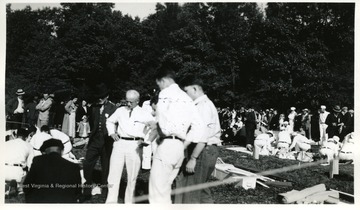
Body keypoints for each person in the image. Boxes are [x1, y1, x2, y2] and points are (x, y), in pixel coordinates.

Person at [149, 66, 206, 203]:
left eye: (159, 85)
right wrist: (185, 141)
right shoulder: (186, 98)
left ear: (162, 81)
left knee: (157, 190)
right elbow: (199, 127)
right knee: (166, 188)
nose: (159, 88)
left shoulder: (165, 93)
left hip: (167, 144)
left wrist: (159, 129)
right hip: (179, 147)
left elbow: (161, 120)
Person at [175, 77, 221, 203]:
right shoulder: (200, 105)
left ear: (195, 89)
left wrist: (193, 158)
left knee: (192, 193)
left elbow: (202, 136)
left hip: (202, 150)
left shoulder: (203, 106)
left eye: (186, 91)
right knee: (201, 191)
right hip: (203, 149)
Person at [105, 90, 154, 204]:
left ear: (137, 101)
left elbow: (154, 127)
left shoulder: (144, 113)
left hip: (135, 145)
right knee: (113, 174)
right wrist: (112, 133)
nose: (128, 104)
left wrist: (146, 140)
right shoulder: (120, 110)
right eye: (126, 101)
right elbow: (110, 121)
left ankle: (129, 202)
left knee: (132, 176)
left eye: (131, 102)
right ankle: (111, 202)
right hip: (119, 143)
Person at [81, 84, 117, 202]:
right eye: (98, 97)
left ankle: (104, 192)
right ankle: (86, 191)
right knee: (87, 164)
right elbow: (93, 122)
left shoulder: (113, 108)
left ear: (107, 96)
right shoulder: (94, 107)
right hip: (95, 140)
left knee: (106, 167)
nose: (99, 99)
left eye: (101, 97)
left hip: (107, 142)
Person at [23, 139, 82, 203]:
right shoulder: (74, 167)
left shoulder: (38, 161)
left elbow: (26, 186)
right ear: (62, 151)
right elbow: (78, 192)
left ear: (44, 152)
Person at [5, 128, 34, 195]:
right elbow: (30, 165)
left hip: (2, 171)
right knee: (28, 170)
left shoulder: (6, 143)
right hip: (16, 173)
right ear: (26, 137)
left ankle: (7, 186)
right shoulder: (28, 146)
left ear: (16, 135)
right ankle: (19, 188)